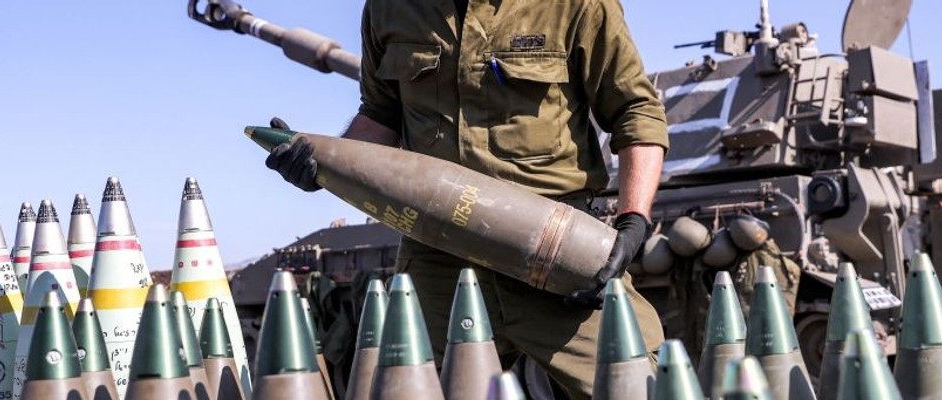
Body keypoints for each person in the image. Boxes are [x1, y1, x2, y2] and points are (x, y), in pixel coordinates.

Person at [266, 0, 668, 397]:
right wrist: (320, 165)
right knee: (401, 389)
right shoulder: (390, 8)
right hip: (438, 257)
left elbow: (636, 111)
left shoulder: (578, 5)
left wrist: (633, 220)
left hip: (555, 251)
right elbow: (381, 114)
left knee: (638, 384)